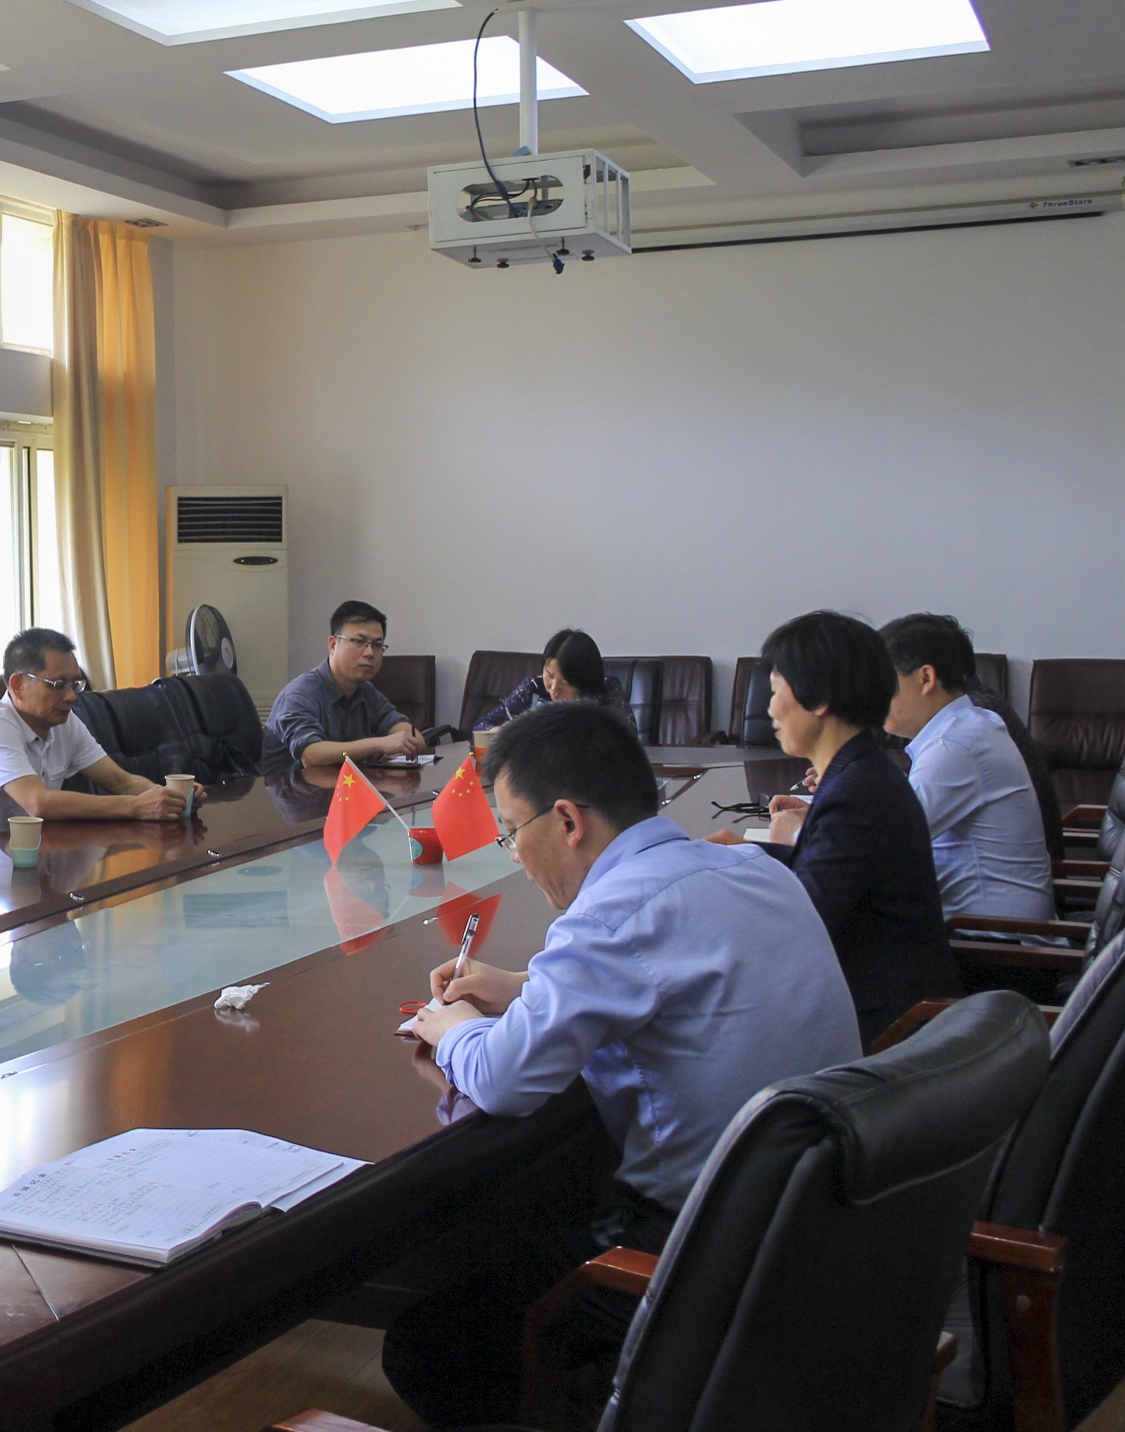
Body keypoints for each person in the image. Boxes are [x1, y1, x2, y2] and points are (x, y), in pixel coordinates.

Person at [391, 703, 860, 1428]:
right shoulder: (754, 868)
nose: (513, 854)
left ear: (567, 821)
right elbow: (671, 976)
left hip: (699, 1252)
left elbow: (504, 1080)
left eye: (512, 831)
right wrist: (524, 987)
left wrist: (452, 1028)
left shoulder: (608, 916)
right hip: (819, 1226)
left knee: (427, 1345)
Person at [707, 610, 960, 1043]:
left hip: (887, 1027)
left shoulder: (855, 791)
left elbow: (803, 921)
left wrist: (714, 889)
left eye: (776, 690)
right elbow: (828, 867)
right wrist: (745, 852)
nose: (770, 708)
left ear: (820, 698)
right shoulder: (860, 770)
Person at [879, 613, 1056, 927]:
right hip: (988, 932)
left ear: (925, 678)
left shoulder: (954, 745)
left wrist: (799, 831)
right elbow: (895, 814)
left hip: (996, 945)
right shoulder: (971, 725)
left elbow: (880, 843)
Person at [0, 627, 188, 838]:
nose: (71, 696)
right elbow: (38, 803)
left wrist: (167, 798)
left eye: (75, 684)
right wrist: (135, 807)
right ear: (18, 685)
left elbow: (122, 782)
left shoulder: (64, 722)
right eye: (58, 685)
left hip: (14, 855)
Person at [259, 600, 427, 775]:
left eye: (377, 645)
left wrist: (400, 745)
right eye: (359, 642)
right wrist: (379, 745)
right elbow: (311, 756)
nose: (370, 653)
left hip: (344, 788)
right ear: (333, 645)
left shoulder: (366, 692)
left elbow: (413, 737)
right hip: (292, 790)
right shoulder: (300, 693)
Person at [471, 628, 631, 730]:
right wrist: (500, 733)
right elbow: (481, 727)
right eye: (549, 675)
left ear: (583, 681)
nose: (553, 688)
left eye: (565, 682)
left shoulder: (606, 689)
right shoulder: (533, 688)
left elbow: (628, 737)